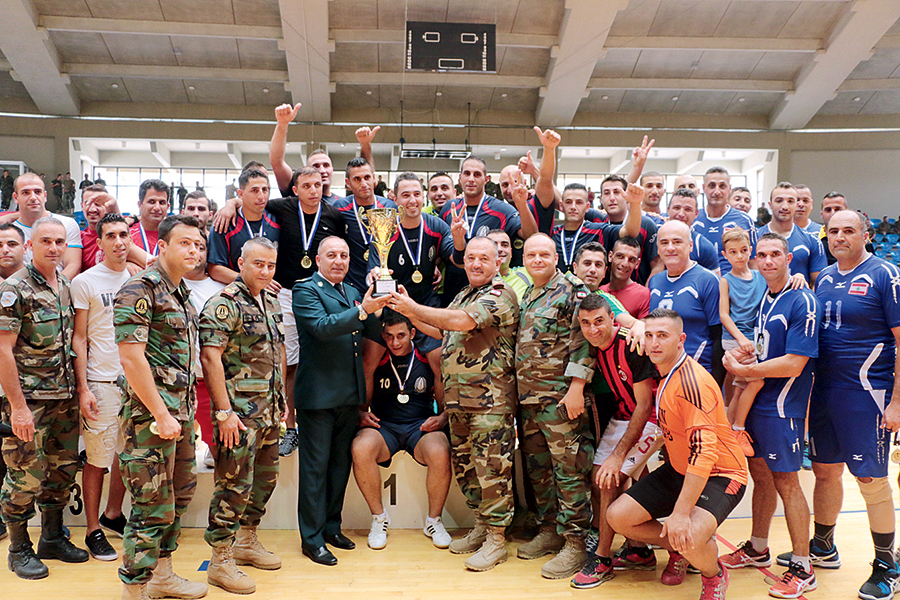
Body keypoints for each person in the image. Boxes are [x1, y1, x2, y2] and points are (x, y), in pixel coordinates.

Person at [387, 236, 519, 572]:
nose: (476, 264)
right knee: (467, 469)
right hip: (459, 403)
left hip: (490, 403)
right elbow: (442, 328)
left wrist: (412, 308)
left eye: (483, 258)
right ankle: (481, 526)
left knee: (492, 472)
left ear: (498, 262)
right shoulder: (464, 294)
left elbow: (462, 322)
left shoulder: (499, 294)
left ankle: (496, 540)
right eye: (470, 257)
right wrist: (406, 310)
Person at [606, 309, 748, 600]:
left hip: (721, 474)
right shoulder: (665, 373)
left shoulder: (692, 383)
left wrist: (681, 514)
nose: (654, 343)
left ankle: (713, 574)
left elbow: (704, 453)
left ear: (681, 340)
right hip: (681, 469)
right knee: (617, 517)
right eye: (649, 336)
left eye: (663, 336)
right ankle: (678, 549)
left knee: (689, 535)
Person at [802, 210, 900, 600]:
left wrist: (897, 402)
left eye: (848, 230)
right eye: (833, 231)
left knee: (870, 481)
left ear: (866, 235)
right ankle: (823, 546)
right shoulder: (824, 277)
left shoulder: (885, 275)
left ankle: (887, 566)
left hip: (867, 395)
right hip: (826, 393)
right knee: (824, 472)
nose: (839, 237)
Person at [718, 233, 820, 599]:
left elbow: (794, 363)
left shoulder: (803, 300)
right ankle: (758, 547)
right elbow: (763, 351)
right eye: (762, 255)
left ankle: (803, 567)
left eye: (776, 254)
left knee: (787, 483)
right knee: (761, 477)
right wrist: (740, 359)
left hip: (783, 408)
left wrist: (746, 372)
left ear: (789, 258)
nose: (768, 260)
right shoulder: (766, 298)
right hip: (759, 402)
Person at [114, 214, 207, 600]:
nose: (194, 250)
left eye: (199, 245)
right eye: (185, 243)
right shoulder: (140, 288)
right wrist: (160, 413)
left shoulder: (181, 292)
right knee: (150, 505)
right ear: (162, 246)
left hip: (179, 415)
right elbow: (131, 357)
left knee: (178, 495)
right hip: (150, 420)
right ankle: (134, 588)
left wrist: (179, 415)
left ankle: (162, 576)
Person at [292, 236, 389, 566]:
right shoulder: (306, 289)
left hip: (348, 397)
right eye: (331, 255)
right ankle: (312, 539)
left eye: (344, 256)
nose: (338, 261)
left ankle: (332, 528)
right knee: (315, 472)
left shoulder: (350, 291)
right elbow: (322, 328)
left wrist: (382, 295)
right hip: (318, 398)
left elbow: (370, 328)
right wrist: (363, 309)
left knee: (338, 469)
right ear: (318, 260)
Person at [0, 218, 88, 580]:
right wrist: (18, 407)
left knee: (62, 471)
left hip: (63, 398)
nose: (53, 248)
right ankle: (19, 549)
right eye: (45, 241)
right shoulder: (14, 289)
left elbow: (73, 343)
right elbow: (3, 351)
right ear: (30, 246)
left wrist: (81, 390)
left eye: (59, 242)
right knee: (24, 475)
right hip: (30, 402)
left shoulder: (64, 284)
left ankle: (52, 537)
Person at [199, 237, 285, 594]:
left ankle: (247, 541)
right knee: (233, 486)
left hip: (268, 412)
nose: (265, 271)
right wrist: (223, 412)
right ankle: (220, 560)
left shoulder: (271, 301)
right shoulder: (224, 303)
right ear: (241, 263)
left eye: (270, 265)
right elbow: (210, 358)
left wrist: (282, 402)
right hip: (238, 416)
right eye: (258, 264)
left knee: (265, 480)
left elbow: (278, 353)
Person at [513, 234, 594, 579]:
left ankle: (576, 542)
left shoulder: (573, 290)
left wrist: (577, 388)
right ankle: (549, 530)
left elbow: (584, 340)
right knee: (539, 471)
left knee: (569, 471)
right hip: (530, 400)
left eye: (544, 254)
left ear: (556, 257)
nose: (537, 259)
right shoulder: (529, 293)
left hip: (561, 400)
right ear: (524, 260)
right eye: (531, 254)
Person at [571, 293, 660, 589]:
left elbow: (645, 407)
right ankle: (639, 549)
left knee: (608, 478)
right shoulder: (595, 346)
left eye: (599, 321)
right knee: (603, 479)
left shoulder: (632, 343)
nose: (592, 329)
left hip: (653, 419)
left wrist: (618, 455)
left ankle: (602, 558)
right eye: (586, 323)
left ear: (612, 318)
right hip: (623, 416)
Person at [354, 310, 451, 550]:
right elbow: (365, 381)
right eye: (389, 336)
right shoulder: (378, 357)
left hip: (420, 425)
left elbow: (442, 385)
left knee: (440, 450)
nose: (395, 342)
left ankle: (434, 521)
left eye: (401, 335)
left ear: (413, 333)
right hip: (384, 426)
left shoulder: (426, 356)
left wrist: (442, 418)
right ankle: (379, 519)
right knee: (360, 447)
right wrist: (361, 413)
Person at [71, 214, 133, 562]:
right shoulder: (86, 282)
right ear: (100, 242)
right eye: (111, 235)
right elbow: (79, 339)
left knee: (126, 454)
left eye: (124, 234)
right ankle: (92, 529)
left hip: (134, 383)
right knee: (97, 460)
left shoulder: (137, 278)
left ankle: (113, 514)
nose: (119, 241)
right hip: (102, 382)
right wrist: (84, 388)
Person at [438, 157, 538, 301]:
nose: (471, 179)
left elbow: (531, 235)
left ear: (486, 179)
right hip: (453, 290)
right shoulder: (449, 208)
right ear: (460, 178)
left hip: (488, 294)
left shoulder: (502, 210)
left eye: (477, 174)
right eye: (467, 173)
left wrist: (521, 204)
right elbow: (440, 244)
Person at [366, 172, 460, 307]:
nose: (412, 200)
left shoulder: (437, 226)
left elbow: (458, 260)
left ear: (423, 196)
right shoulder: (384, 229)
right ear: (395, 200)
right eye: (406, 195)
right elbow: (372, 272)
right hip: (395, 305)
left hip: (428, 305)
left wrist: (459, 238)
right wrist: (373, 275)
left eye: (417, 194)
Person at [648, 220, 722, 375]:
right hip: (663, 375)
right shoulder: (655, 281)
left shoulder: (708, 280)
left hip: (699, 374)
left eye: (677, 242)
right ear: (658, 249)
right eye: (664, 243)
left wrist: (715, 381)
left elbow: (719, 336)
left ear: (690, 246)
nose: (670, 248)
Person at [716, 228, 766, 430]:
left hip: (756, 338)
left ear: (750, 250)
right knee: (754, 382)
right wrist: (741, 339)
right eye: (733, 252)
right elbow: (724, 315)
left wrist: (797, 275)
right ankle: (738, 428)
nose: (739, 256)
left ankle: (729, 429)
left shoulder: (760, 276)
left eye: (743, 250)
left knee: (741, 386)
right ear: (725, 255)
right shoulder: (725, 280)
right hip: (735, 339)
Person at [183, 238, 226, 465]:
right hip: (176, 383)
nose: (195, 252)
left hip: (209, 382)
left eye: (201, 247)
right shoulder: (164, 285)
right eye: (189, 246)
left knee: (223, 454)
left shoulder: (222, 289)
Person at [334, 158, 397, 293]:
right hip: (350, 282)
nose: (363, 184)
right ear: (348, 183)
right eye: (357, 179)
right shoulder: (340, 208)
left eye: (367, 177)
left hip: (382, 278)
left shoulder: (389, 208)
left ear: (374, 178)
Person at [208, 169, 280, 285]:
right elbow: (215, 269)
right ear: (241, 194)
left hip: (271, 292)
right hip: (236, 290)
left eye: (265, 190)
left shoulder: (278, 221)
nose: (261, 196)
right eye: (254, 191)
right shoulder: (225, 223)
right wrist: (250, 280)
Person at [553, 182, 641, 273]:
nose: (573, 207)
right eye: (568, 202)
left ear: (587, 207)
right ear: (561, 206)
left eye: (579, 202)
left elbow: (631, 232)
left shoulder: (599, 230)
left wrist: (635, 203)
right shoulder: (552, 233)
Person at [9, 173, 83, 280]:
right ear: (16, 197)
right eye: (26, 193)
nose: (33, 197)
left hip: (58, 287)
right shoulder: (7, 231)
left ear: (45, 196)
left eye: (38, 192)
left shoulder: (67, 224)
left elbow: (73, 265)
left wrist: (53, 287)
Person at [0, 222, 25, 542]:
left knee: (21, 462)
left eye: (11, 243)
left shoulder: (38, 285)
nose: (5, 250)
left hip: (25, 387)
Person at [270, 103, 342, 204]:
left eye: (326, 165)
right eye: (316, 166)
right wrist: (282, 124)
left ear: (332, 170)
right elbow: (277, 162)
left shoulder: (343, 203)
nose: (322, 170)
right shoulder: (296, 194)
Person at [758, 182, 827, 286]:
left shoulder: (812, 240)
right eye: (779, 201)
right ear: (770, 205)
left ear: (797, 205)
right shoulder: (754, 237)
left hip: (797, 295)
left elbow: (819, 284)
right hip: (761, 296)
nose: (785, 206)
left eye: (790, 201)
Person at [595, 174, 660, 284]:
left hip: (638, 289)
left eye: (617, 192)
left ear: (626, 196)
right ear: (601, 199)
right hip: (605, 291)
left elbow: (657, 264)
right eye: (606, 193)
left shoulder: (646, 224)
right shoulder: (598, 224)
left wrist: (647, 290)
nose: (612, 198)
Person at [692, 167, 757, 274]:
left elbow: (753, 261)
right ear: (703, 188)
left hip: (734, 283)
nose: (717, 191)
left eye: (722, 186)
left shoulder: (744, 220)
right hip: (700, 282)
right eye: (712, 186)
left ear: (729, 189)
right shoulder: (693, 219)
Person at [666, 188, 722, 275]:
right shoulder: (654, 235)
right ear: (668, 210)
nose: (681, 214)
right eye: (677, 208)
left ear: (696, 214)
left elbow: (715, 281)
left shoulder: (703, 246)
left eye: (687, 209)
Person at [601, 237, 651, 319]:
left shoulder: (643, 294)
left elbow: (644, 326)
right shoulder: (600, 291)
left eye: (632, 259)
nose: (625, 264)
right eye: (620, 256)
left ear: (637, 263)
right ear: (610, 256)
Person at [487, 229, 532, 302]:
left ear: (511, 252)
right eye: (494, 245)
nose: (499, 249)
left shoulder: (528, 272)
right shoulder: (478, 279)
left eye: (505, 245)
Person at [130, 179, 171, 259]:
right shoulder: (127, 235)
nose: (157, 208)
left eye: (162, 203)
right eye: (151, 202)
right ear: (140, 205)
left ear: (167, 207)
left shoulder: (175, 237)